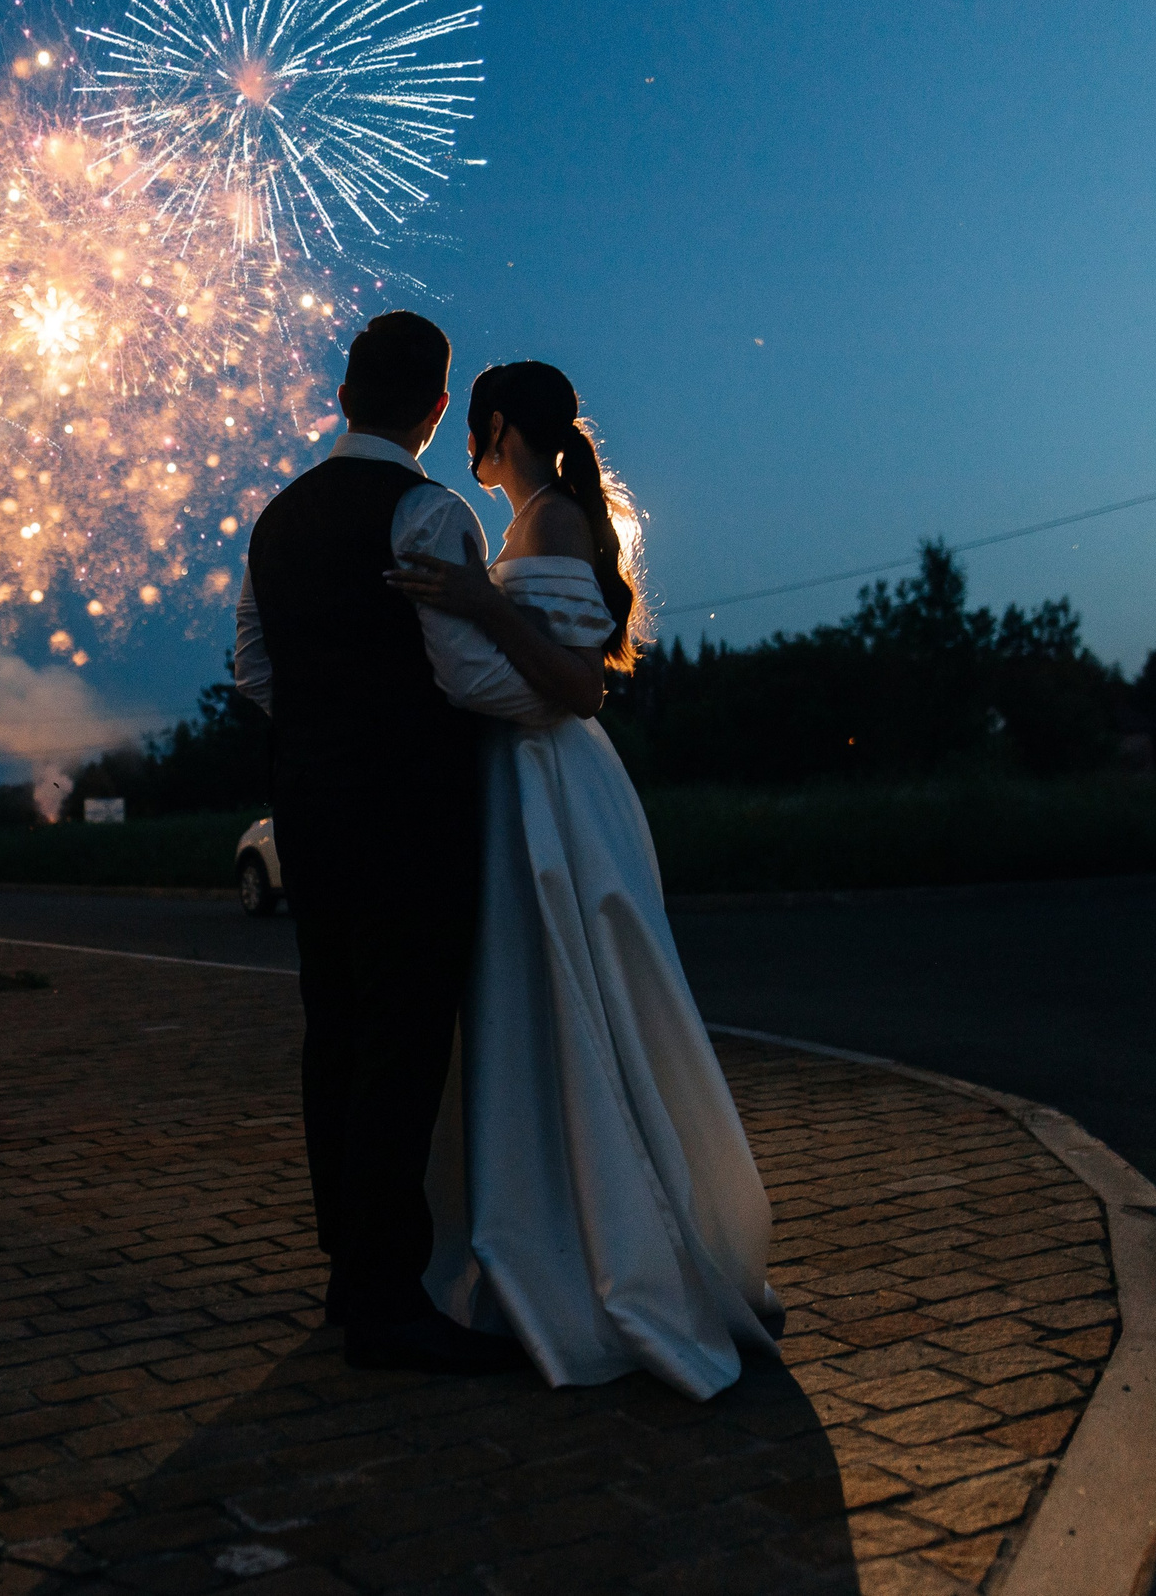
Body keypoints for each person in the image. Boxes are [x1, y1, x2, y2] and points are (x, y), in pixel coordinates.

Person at [386, 360, 780, 1399]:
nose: (466, 450)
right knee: (543, 1012)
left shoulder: (552, 521)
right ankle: (554, 1228)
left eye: (473, 431)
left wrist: (480, 600)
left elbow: (577, 688)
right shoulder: (539, 518)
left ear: (496, 427)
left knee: (574, 1003)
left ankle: (603, 1255)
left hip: (552, 790)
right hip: (526, 782)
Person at [233, 311, 558, 1375]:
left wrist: (324, 725)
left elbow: (254, 669)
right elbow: (464, 674)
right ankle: (387, 1297)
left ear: (342, 397)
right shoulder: (429, 511)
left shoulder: (275, 519)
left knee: (333, 1027)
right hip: (411, 810)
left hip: (308, 806)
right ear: (434, 409)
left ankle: (349, 1270)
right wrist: (564, 701)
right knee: (402, 1042)